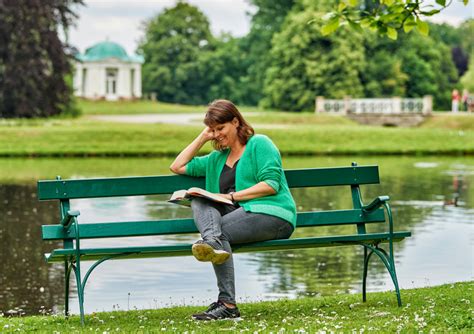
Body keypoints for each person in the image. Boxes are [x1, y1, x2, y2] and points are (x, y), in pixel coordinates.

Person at [170, 99, 296, 320]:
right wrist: (202, 137)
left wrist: (230, 196)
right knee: (199, 200)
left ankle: (227, 303)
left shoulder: (259, 144)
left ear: (236, 121)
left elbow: (271, 184)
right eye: (213, 130)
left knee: (219, 233)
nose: (217, 134)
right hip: (236, 219)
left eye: (221, 128)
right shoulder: (216, 159)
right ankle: (213, 246)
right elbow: (177, 166)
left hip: (273, 215)